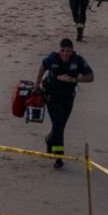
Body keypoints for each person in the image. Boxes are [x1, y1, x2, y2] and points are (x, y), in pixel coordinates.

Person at [34, 38, 94, 168]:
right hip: (51, 96)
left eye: (68, 51)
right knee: (58, 124)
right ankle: (59, 157)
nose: (65, 54)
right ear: (59, 50)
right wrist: (37, 84)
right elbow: (42, 67)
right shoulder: (53, 58)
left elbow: (91, 77)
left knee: (60, 125)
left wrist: (75, 79)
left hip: (68, 97)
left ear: (72, 51)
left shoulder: (78, 60)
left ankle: (50, 139)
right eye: (63, 50)